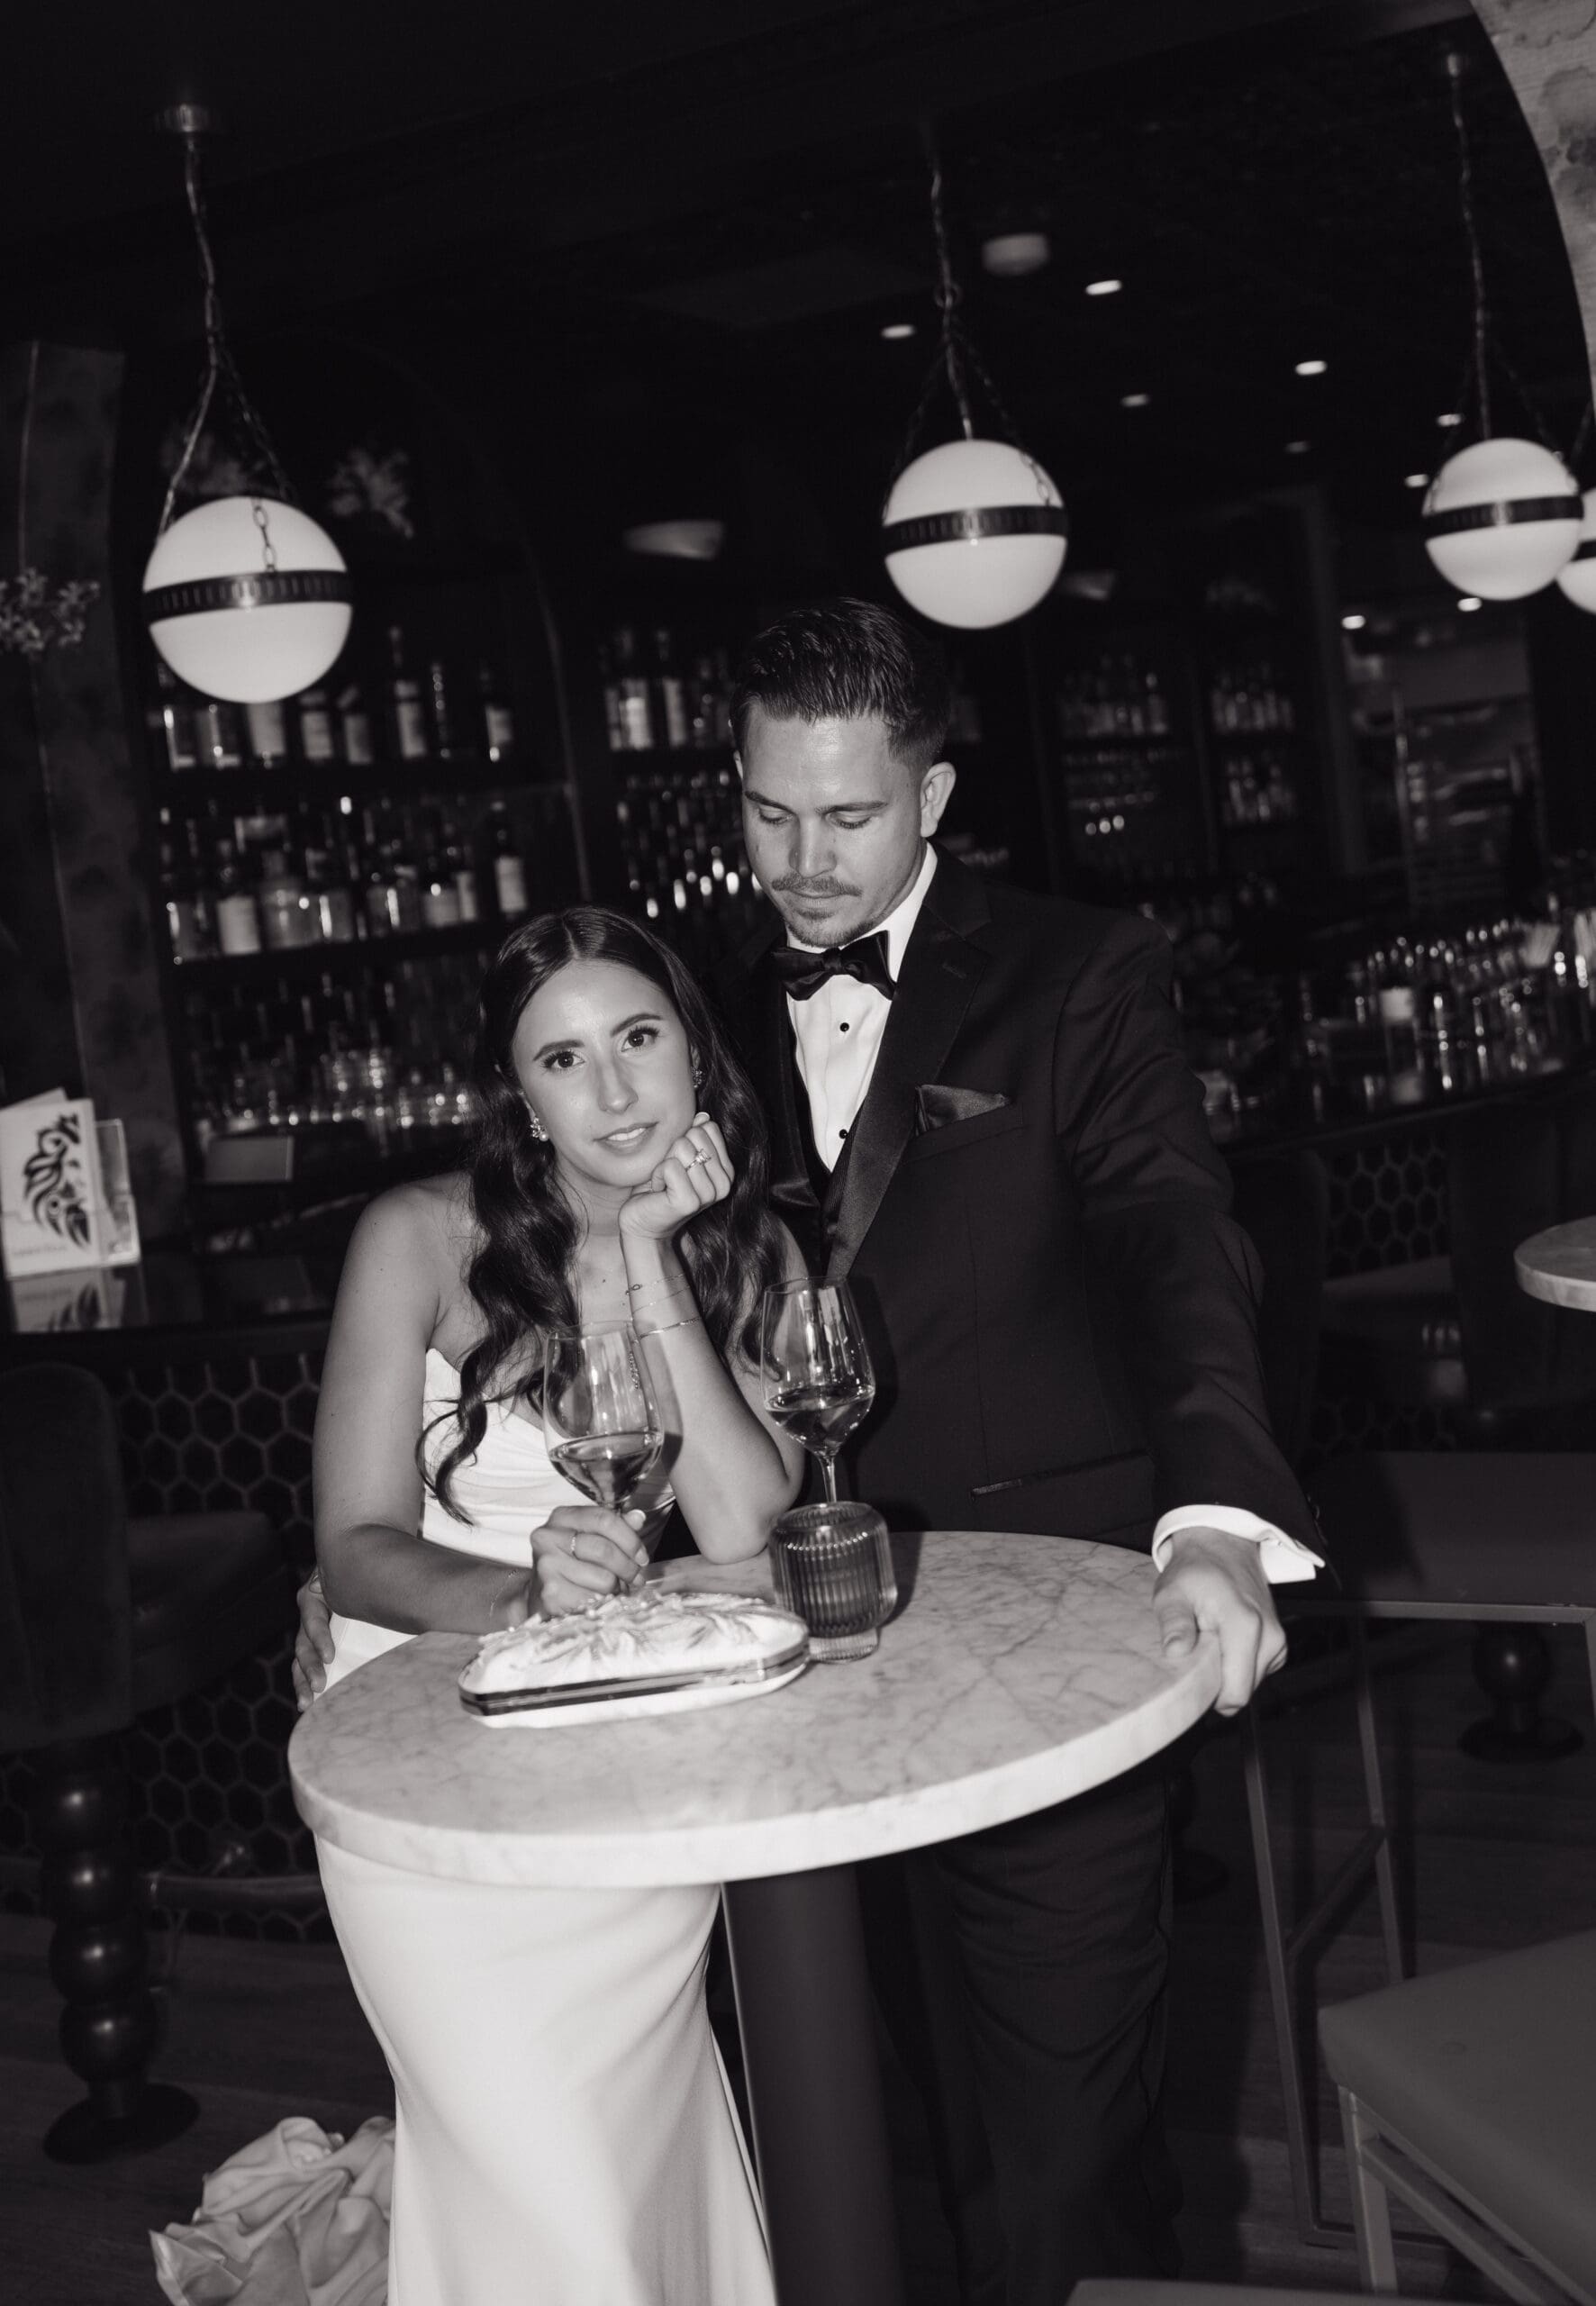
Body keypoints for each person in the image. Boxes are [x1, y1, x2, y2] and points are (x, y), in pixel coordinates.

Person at [707, 597, 1325, 2306]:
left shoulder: (1080, 970)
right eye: (767, 812)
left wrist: (1215, 1512)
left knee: (1065, 2158)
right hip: (786, 1651)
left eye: (847, 816)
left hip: (1051, 1632)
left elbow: (1171, 1239)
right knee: (894, 2136)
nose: (801, 863)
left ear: (933, 794)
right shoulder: (694, 998)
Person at [301, 904, 804, 2306]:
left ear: (695, 1050)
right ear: (520, 1097)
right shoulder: (416, 1238)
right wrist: (521, 1591)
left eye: (639, 1039)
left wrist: (647, 1259)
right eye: (564, 1060)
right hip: (425, 1762)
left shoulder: (750, 1249)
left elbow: (745, 1532)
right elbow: (353, 1546)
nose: (616, 1091)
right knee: (547, 2189)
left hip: (630, 1758)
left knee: (634, 2166)